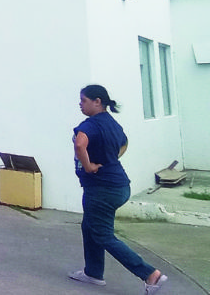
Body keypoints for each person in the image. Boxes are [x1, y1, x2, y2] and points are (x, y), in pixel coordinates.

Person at [69, 84, 168, 294]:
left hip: (102, 189)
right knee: (89, 226)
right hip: (118, 186)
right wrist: (110, 159)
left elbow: (79, 145)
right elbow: (124, 144)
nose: (80, 104)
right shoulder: (112, 124)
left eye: (84, 100)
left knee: (103, 234)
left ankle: (151, 275)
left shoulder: (92, 124)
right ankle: (93, 273)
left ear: (97, 101)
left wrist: (89, 166)